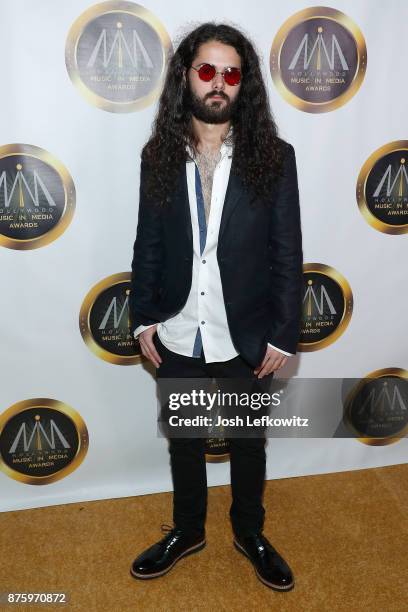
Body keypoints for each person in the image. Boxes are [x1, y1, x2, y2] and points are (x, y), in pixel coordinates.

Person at [128, 22, 303, 592]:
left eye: (231, 73)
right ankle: (187, 530)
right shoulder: (159, 154)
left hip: (245, 331)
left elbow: (287, 251)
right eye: (207, 70)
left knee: (249, 443)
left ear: (243, 85)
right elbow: (148, 242)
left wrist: (284, 333)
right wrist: (143, 316)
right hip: (179, 327)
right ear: (186, 76)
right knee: (185, 441)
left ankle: (250, 532)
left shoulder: (274, 157)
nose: (218, 84)